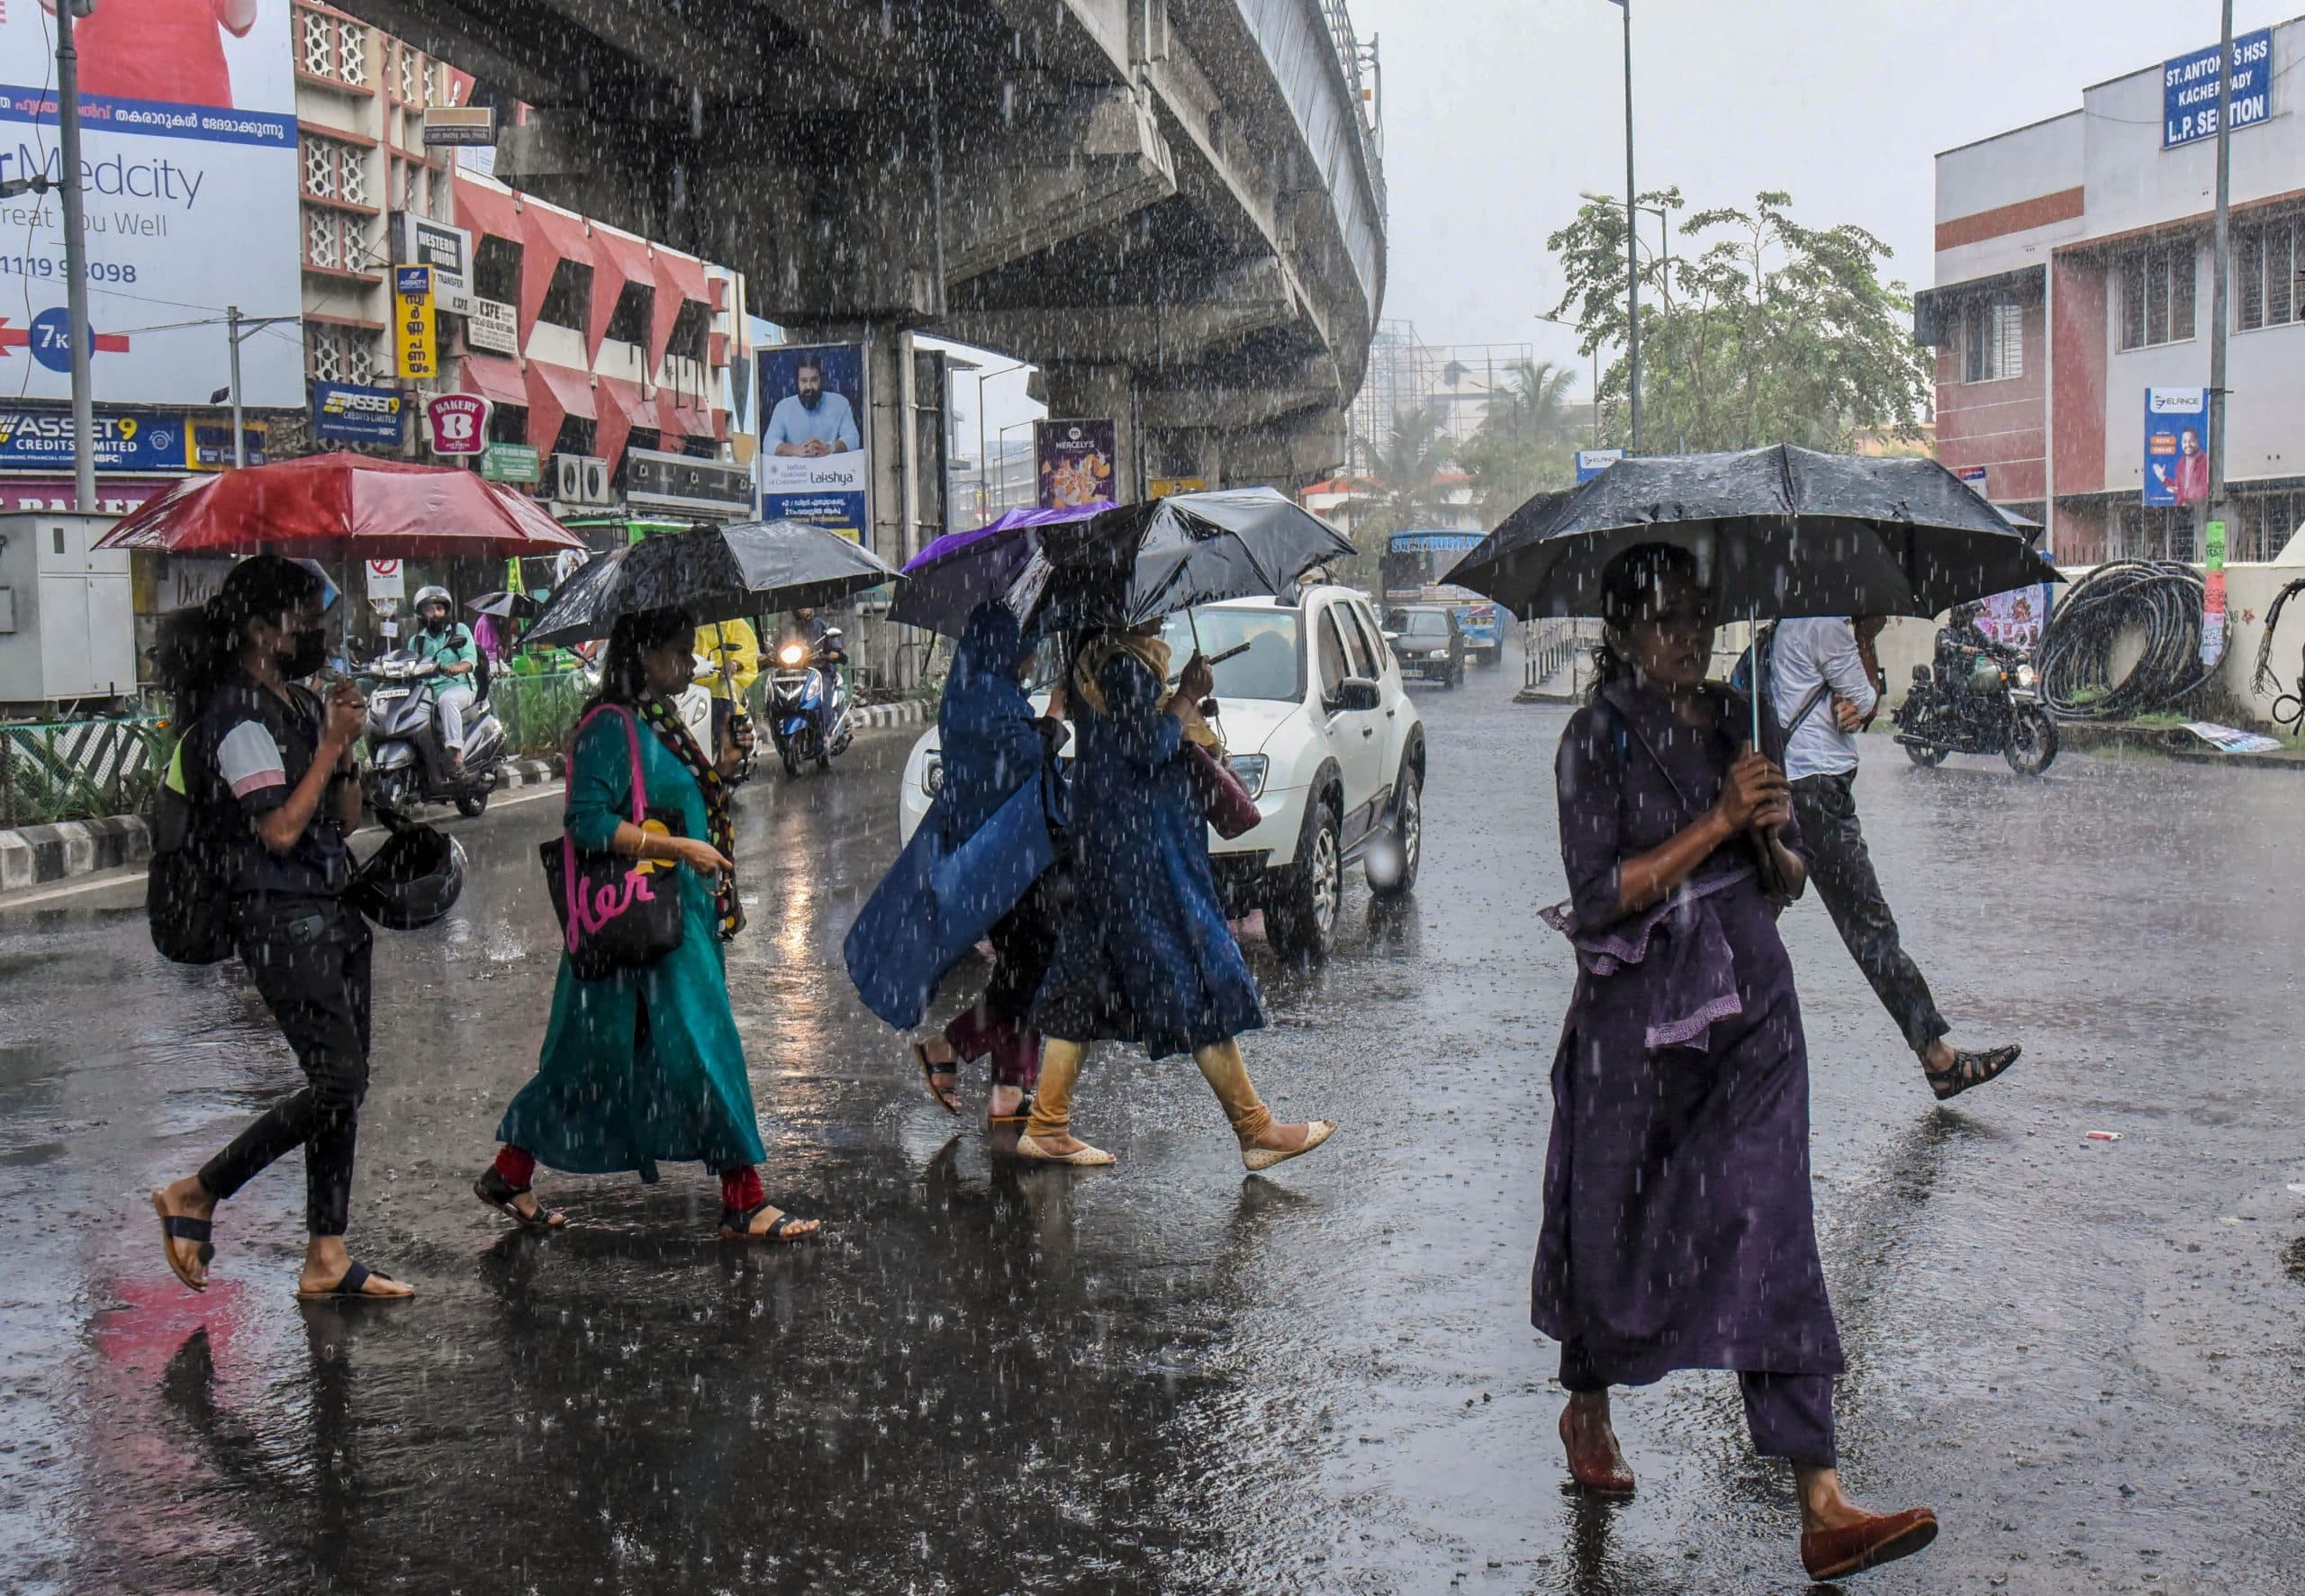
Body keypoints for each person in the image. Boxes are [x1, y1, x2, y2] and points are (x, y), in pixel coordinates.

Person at [1539, 545, 1936, 1582]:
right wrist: (1713, 821)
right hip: (1637, 1026)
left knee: (1774, 1226)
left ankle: (1820, 1499)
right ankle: (1589, 1408)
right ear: (1621, 631)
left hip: (1752, 1010)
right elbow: (1597, 894)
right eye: (1662, 619)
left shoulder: (1732, 722)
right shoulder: (1593, 738)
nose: (1685, 636)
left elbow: (1791, 878)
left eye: (1697, 616)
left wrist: (1767, 835)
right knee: (1613, 1226)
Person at [474, 607, 819, 1243]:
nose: (688, 666)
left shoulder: (656, 722)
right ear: (643, 654)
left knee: (584, 1064)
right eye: (678, 653)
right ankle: (745, 1200)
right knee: (705, 1049)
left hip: (662, 924)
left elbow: (678, 800)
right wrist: (682, 851)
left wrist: (728, 758)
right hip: (642, 927)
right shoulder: (609, 726)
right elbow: (588, 823)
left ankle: (509, 1172)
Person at [149, 555, 414, 1301]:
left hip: (332, 908)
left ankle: (327, 1252)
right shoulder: (236, 715)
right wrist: (328, 745)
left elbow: (343, 818)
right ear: (262, 630)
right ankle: (199, 1190)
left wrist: (346, 740)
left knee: (344, 1086)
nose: (318, 631)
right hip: (277, 916)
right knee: (338, 1078)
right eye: (305, 618)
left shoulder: (297, 704)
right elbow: (279, 829)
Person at [1022, 616, 1335, 1170]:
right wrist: (1187, 695)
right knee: (1192, 975)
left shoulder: (1096, 658)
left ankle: (1047, 1123)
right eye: (1152, 603)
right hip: (1144, 858)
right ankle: (1256, 1129)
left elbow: (1126, 744)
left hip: (1112, 849)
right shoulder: (1121, 663)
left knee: (1082, 984)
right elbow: (1145, 747)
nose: (1161, 613)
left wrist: (1181, 703)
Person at [1773, 615, 2020, 1100]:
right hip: (1817, 792)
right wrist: (1864, 639)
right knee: (1870, 927)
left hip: (1801, 784)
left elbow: (1861, 705)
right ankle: (1939, 1059)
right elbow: (1867, 700)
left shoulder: (1794, 620)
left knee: (1754, 913)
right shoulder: (1826, 622)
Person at [911, 600, 1069, 1125]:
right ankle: (949, 1045)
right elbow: (1023, 759)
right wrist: (1054, 718)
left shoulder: (976, 693)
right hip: (1005, 858)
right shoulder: (989, 700)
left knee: (1022, 965)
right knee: (1035, 967)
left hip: (998, 853)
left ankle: (1008, 1090)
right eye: (1026, 646)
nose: (1031, 656)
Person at [410, 586, 480, 776]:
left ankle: (456, 755)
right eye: (430, 609)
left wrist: (458, 667)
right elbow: (409, 665)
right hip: (427, 693)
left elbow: (470, 659)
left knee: (447, 700)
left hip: (460, 687)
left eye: (440, 609)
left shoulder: (460, 630)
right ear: (421, 614)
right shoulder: (416, 641)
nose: (436, 614)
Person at [764, 355, 861, 458]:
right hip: (794, 472)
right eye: (804, 381)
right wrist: (796, 449)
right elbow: (768, 444)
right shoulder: (783, 407)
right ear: (797, 382)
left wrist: (829, 448)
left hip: (831, 472)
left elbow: (853, 439)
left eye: (814, 380)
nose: (809, 387)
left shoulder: (840, 403)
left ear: (822, 380)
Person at [694, 617, 761, 761]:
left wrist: (734, 663)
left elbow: (746, 651)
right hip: (694, 681)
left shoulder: (735, 623)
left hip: (724, 677)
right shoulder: (689, 625)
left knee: (725, 688)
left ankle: (728, 742)